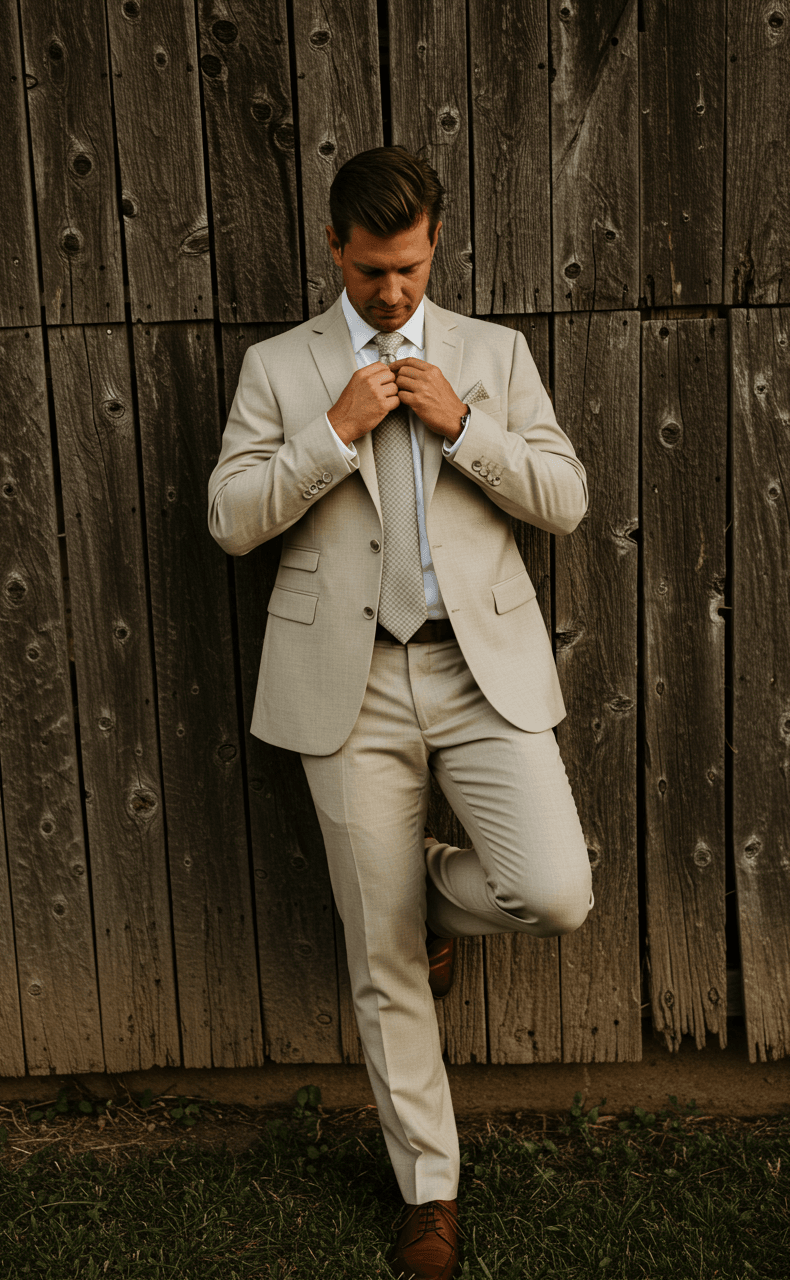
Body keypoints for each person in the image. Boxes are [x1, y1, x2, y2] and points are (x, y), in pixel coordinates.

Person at [208, 146, 593, 1280]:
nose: (392, 291)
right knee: (380, 959)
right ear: (335, 248)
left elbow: (564, 500)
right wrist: (328, 434)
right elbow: (231, 518)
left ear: (435, 244)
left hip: (479, 670)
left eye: (411, 266)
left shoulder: (493, 354)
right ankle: (429, 1190)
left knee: (552, 888)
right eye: (372, 269)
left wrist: (462, 423)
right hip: (350, 679)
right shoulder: (279, 367)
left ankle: (412, 881)